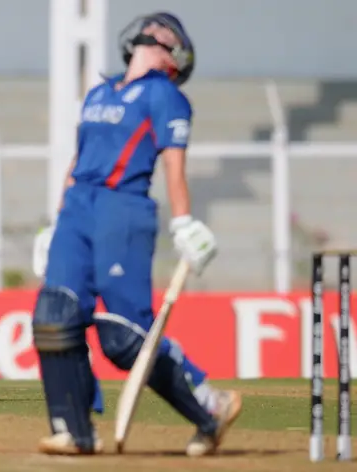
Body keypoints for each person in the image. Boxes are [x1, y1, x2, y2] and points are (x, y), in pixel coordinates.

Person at [31, 12, 242, 456]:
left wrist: (183, 220)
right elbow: (79, 158)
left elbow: (173, 163)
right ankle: (73, 431)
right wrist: (56, 222)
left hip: (122, 208)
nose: (160, 31)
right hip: (78, 208)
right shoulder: (99, 92)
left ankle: (210, 404)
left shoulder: (166, 96)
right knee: (54, 316)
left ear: (175, 56)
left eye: (171, 34)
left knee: (124, 337)